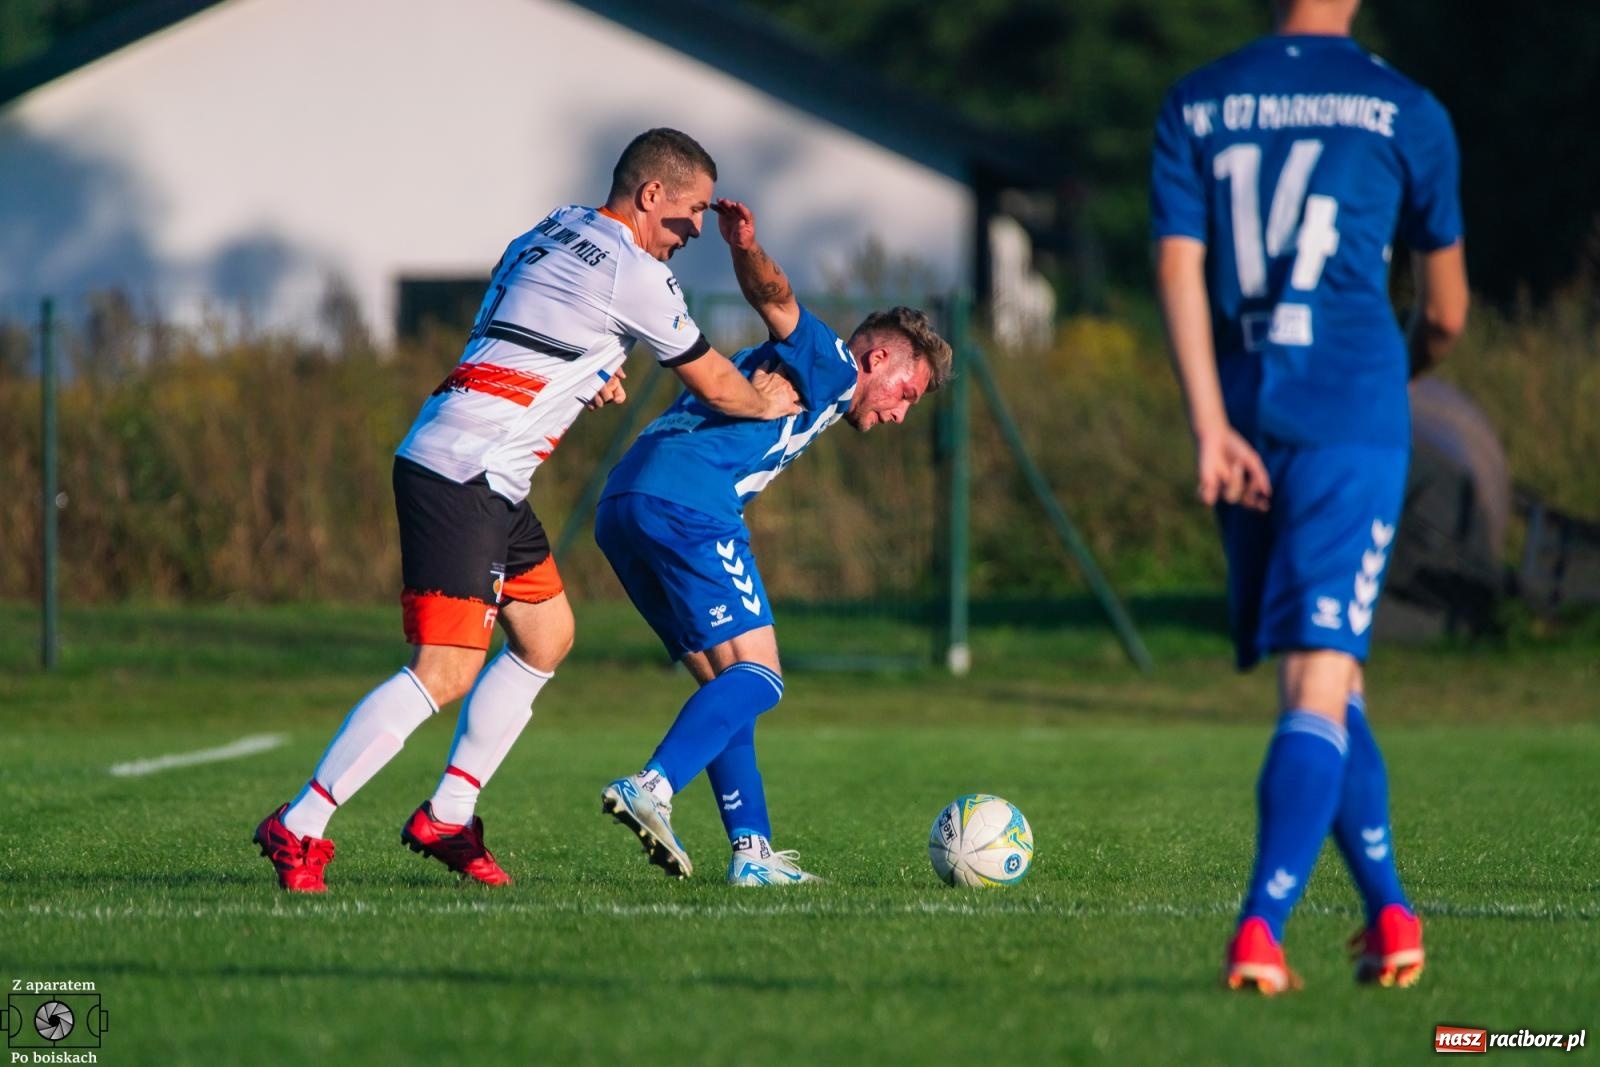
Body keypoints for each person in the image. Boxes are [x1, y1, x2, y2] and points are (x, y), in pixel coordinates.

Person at [253, 129, 800, 892]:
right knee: (445, 669)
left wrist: (590, 366)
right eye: (692, 210)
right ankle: (300, 822)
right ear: (651, 195)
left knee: (547, 634)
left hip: (482, 468)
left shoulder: (557, 225)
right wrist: (768, 402)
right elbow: (716, 384)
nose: (697, 229)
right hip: (465, 469)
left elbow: (530, 314)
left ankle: (448, 815)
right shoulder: (637, 273)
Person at [1150, 0, 1468, 991]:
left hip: (1242, 419)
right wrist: (1391, 376)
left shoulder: (1197, 100)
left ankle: (1390, 914)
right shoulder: (1405, 108)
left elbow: (1176, 266)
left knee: (1330, 678)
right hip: (1347, 418)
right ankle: (1260, 928)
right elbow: (1447, 313)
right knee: (1319, 675)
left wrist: (1208, 422)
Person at [594, 198, 952, 885]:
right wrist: (746, 247)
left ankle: (753, 854)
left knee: (729, 686)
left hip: (624, 502)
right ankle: (653, 786)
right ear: (879, 358)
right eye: (908, 393)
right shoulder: (834, 364)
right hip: (690, 501)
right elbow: (776, 296)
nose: (902, 413)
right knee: (761, 676)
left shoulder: (800, 375)